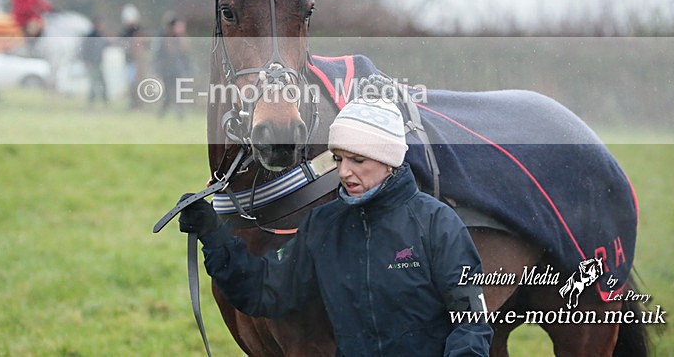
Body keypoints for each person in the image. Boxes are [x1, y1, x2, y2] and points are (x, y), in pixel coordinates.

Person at [179, 77, 493, 356]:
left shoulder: (437, 223)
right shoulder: (323, 225)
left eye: (358, 160)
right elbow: (266, 293)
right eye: (339, 159)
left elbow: (470, 322)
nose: (344, 172)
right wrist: (214, 235)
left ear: (389, 160)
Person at [155, 15, 191, 118]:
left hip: (178, 71)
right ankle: (162, 115)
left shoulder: (181, 39)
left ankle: (179, 115)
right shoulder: (164, 38)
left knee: (180, 94)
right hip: (167, 71)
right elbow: (159, 56)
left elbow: (186, 55)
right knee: (168, 95)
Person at [120, 3, 145, 109]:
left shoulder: (138, 31)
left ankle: (139, 104)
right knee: (131, 83)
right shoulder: (125, 32)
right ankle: (133, 103)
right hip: (130, 61)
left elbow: (141, 45)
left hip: (138, 61)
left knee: (138, 83)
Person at [80, 17, 109, 106]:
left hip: (98, 62)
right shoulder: (91, 35)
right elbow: (85, 49)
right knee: (94, 83)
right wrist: (86, 60)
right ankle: (92, 101)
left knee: (101, 82)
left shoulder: (100, 35)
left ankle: (104, 100)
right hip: (93, 62)